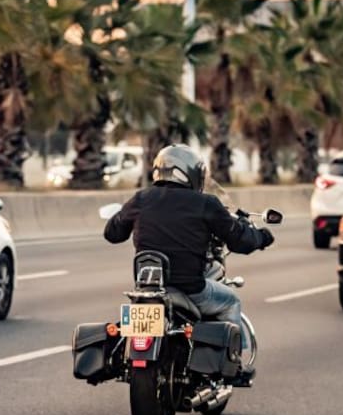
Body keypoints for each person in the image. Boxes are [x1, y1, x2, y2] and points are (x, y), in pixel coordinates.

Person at [103, 144, 274, 384]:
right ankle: (234, 365)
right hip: (191, 289)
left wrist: (122, 215)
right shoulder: (205, 204)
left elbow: (112, 233)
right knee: (231, 301)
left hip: (147, 289)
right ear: (192, 173)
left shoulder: (141, 198)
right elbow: (240, 241)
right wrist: (262, 237)